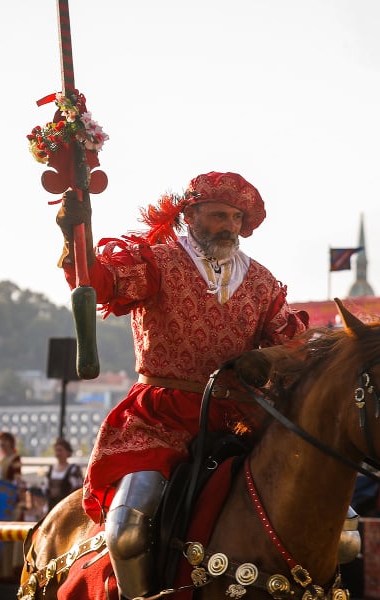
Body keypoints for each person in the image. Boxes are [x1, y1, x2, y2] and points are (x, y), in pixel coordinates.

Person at [56, 171, 309, 598]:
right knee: (128, 529)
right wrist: (74, 235)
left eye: (234, 217)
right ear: (190, 214)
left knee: (340, 521)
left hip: (239, 423)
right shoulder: (157, 263)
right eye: (217, 215)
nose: (229, 226)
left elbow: (293, 347)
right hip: (160, 419)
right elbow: (99, 283)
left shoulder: (263, 282)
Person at [44, 438, 84, 513]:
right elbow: (46, 489)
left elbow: (78, 490)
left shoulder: (73, 469)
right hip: (52, 508)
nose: (58, 453)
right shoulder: (51, 469)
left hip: (67, 508)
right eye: (56, 450)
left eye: (60, 450)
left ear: (68, 452)